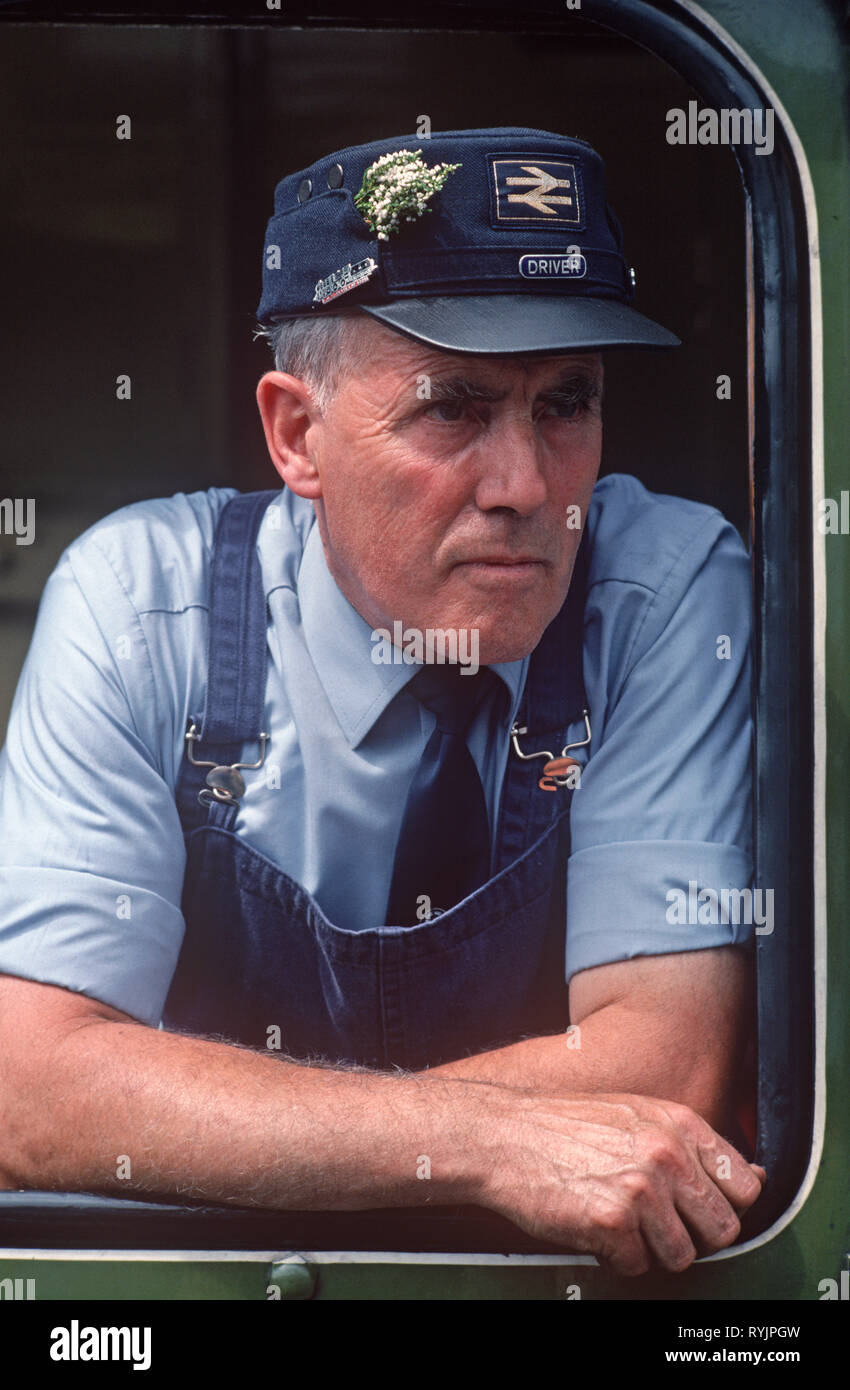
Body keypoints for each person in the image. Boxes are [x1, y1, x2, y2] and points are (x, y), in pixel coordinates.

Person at [0, 127, 764, 1276]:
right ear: (296, 434)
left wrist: (197, 1120)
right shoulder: (136, 605)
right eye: (450, 410)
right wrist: (486, 1142)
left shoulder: (664, 591)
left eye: (566, 405)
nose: (525, 489)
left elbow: (660, 1069)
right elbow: (36, 1089)